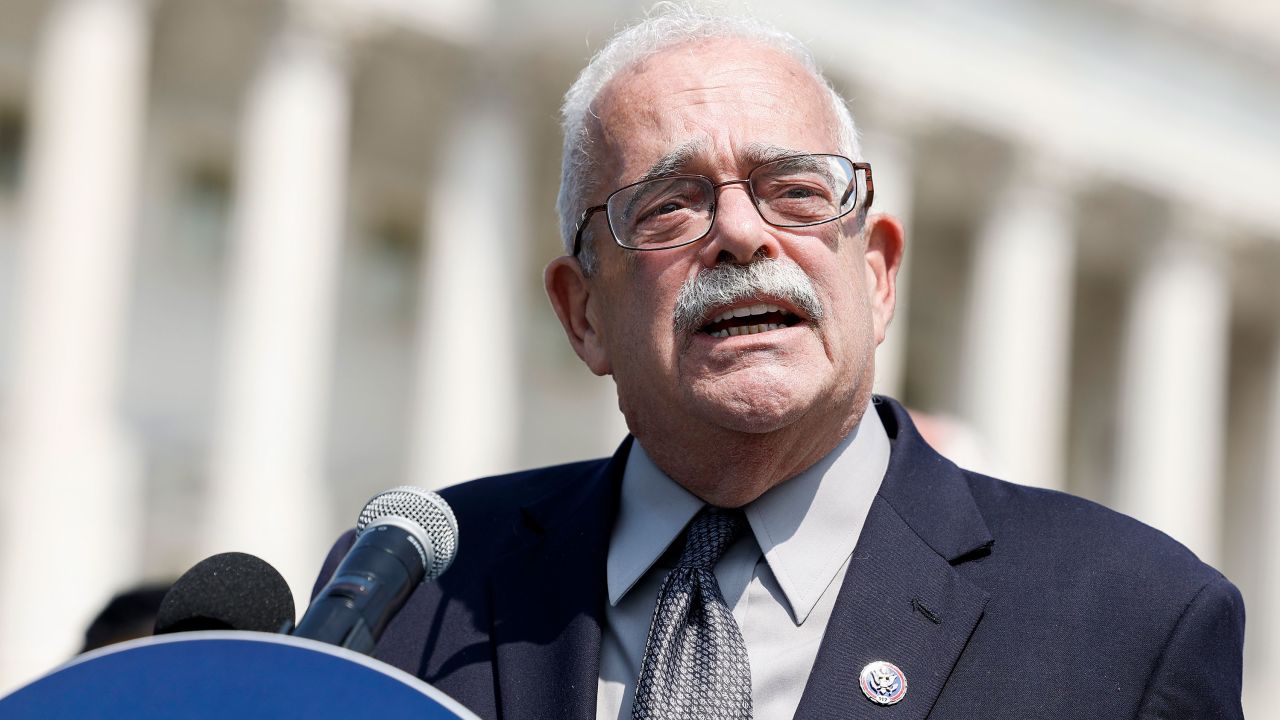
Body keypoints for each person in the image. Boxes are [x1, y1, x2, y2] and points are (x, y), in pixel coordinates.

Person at [316, 5, 1244, 718]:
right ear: (582, 312)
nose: (739, 233)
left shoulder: (1130, 625)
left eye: (795, 192)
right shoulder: (412, 598)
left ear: (877, 275)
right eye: (668, 205)